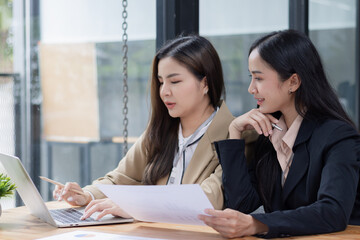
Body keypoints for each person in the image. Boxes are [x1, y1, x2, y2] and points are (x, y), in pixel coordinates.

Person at [53, 35, 237, 219]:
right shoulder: (160, 131)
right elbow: (121, 178)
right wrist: (86, 195)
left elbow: (208, 198)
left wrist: (135, 206)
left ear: (204, 83)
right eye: (161, 81)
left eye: (174, 81)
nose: (164, 91)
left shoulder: (235, 135)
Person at [198, 29, 360, 238]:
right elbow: (241, 205)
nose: (251, 88)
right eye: (251, 77)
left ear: (293, 82)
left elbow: (332, 212)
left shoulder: (338, 136)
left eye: (258, 78)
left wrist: (257, 224)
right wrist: (234, 131)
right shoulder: (269, 136)